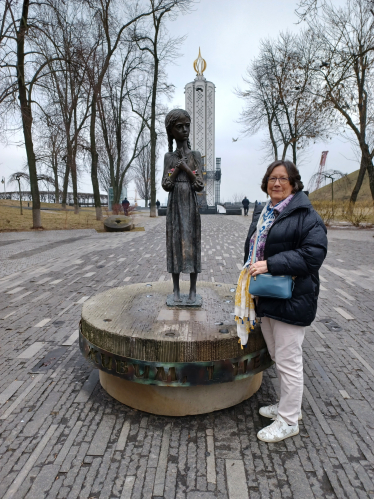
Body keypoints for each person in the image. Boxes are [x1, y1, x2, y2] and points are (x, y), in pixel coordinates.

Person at [235, 160, 327, 443]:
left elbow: (313, 254)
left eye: (283, 179)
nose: (277, 183)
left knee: (289, 361)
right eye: (272, 178)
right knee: (277, 356)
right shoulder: (264, 212)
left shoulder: (305, 214)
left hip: (292, 296)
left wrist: (270, 264)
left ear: (294, 183)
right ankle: (290, 406)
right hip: (267, 294)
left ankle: (288, 421)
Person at [162, 109, 204, 303]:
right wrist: (177, 166)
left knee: (192, 244)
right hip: (175, 207)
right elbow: (166, 184)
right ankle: (176, 290)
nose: (185, 130)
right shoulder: (169, 157)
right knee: (175, 244)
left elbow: (199, 184)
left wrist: (185, 167)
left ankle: (193, 290)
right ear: (171, 131)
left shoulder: (195, 155)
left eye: (187, 126)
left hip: (191, 206)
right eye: (180, 127)